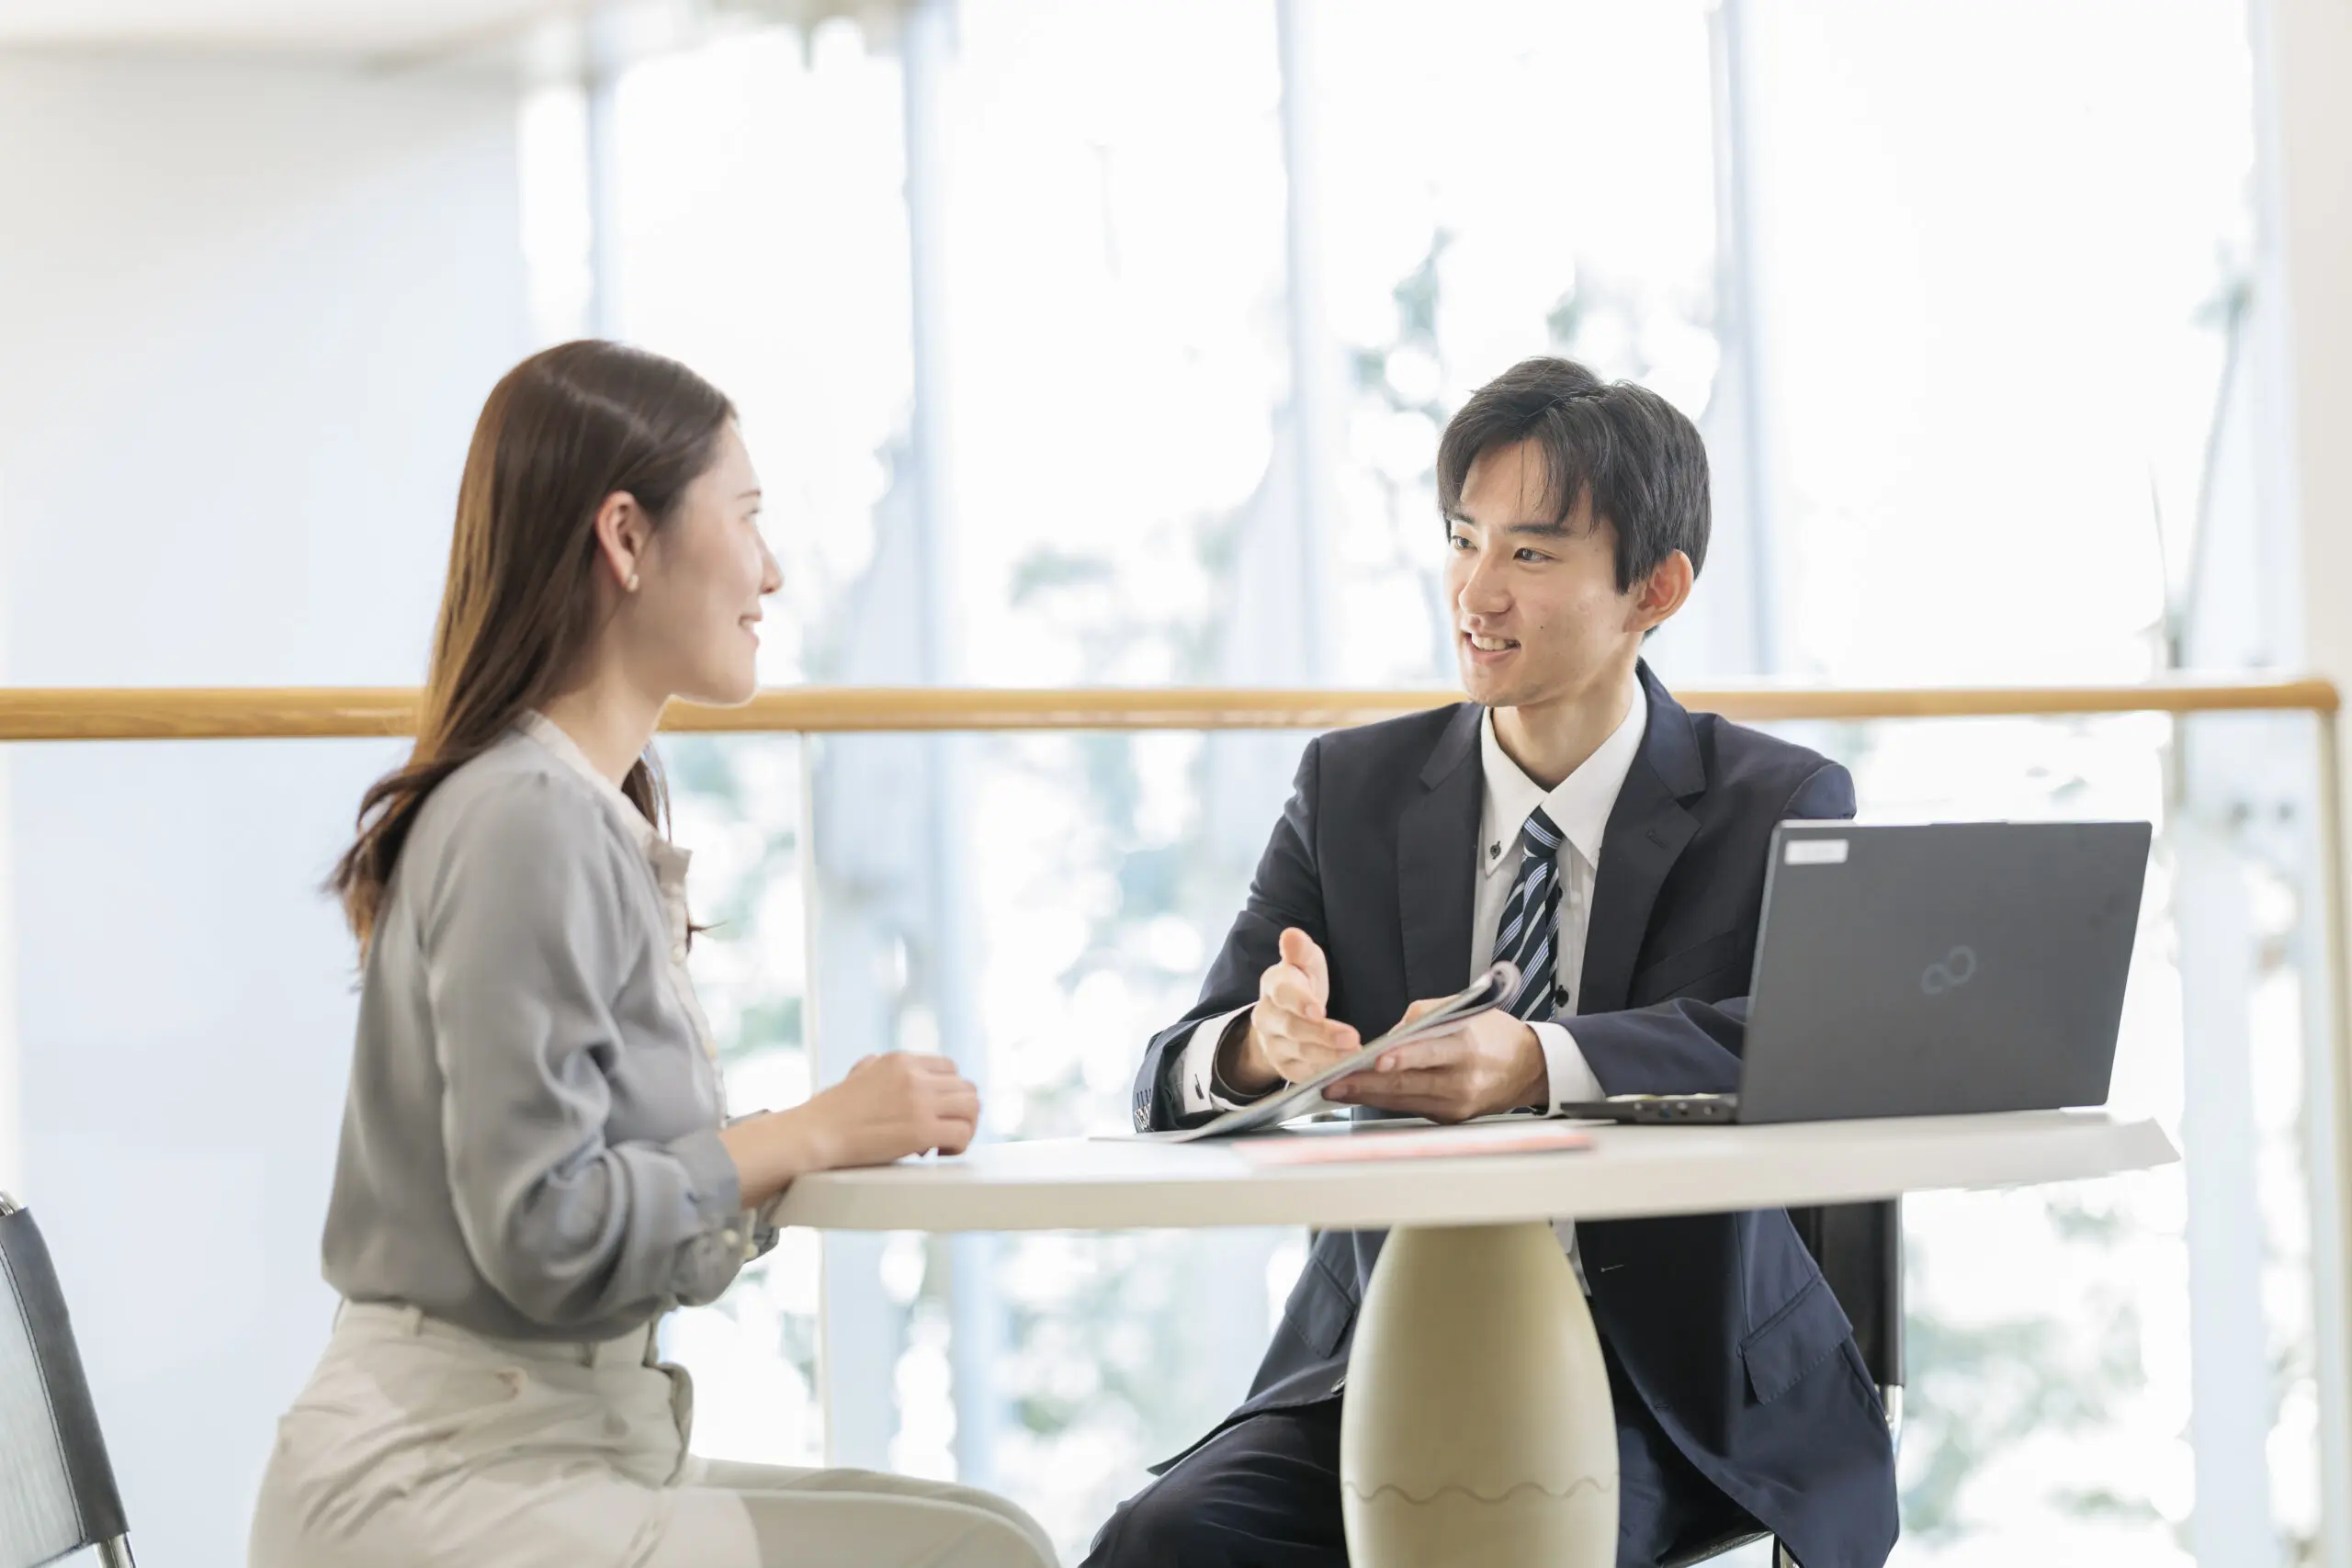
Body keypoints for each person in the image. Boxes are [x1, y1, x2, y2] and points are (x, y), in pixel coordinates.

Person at [250, 341, 1057, 1568]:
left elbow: (613, 1200)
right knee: (979, 1558)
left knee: (991, 1533)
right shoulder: (525, 814)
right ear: (626, 539)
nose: (773, 571)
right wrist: (809, 1131)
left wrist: (804, 1143)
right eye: (747, 519)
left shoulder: (571, 807)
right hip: (442, 1483)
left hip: (549, 1447)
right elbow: (542, 1227)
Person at [1087, 357, 1897, 1568]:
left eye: (1530, 553)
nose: (1474, 590)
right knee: (1162, 1541)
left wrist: (1537, 1061)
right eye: (1463, 540)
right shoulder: (1350, 791)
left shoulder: (1775, 797)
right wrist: (1260, 1048)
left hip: (1670, 1386)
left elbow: (1799, 1041)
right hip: (1379, 1364)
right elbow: (1167, 1074)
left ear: (1655, 589)